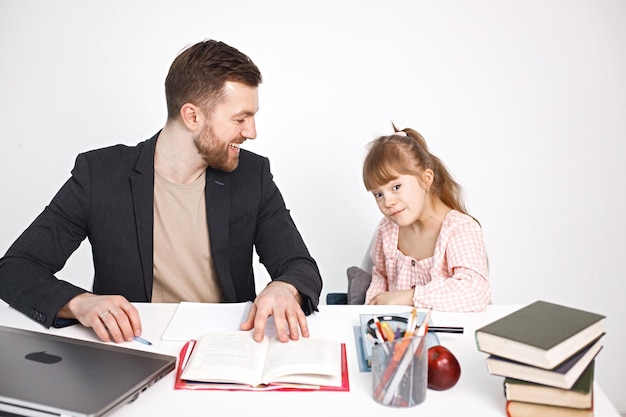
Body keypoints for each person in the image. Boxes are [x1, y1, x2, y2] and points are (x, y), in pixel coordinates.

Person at [0, 39, 322, 344]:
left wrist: (285, 287)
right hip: (135, 350)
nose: (251, 132)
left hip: (228, 349)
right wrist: (80, 303)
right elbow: (15, 269)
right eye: (240, 118)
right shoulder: (99, 175)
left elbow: (299, 265)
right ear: (192, 116)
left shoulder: (253, 175)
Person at [362, 125, 490, 312]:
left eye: (396, 187)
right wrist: (369, 312)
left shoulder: (459, 228)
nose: (387, 201)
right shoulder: (387, 229)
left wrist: (411, 296)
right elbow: (380, 279)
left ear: (426, 179)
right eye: (378, 194)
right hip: (400, 336)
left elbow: (475, 291)